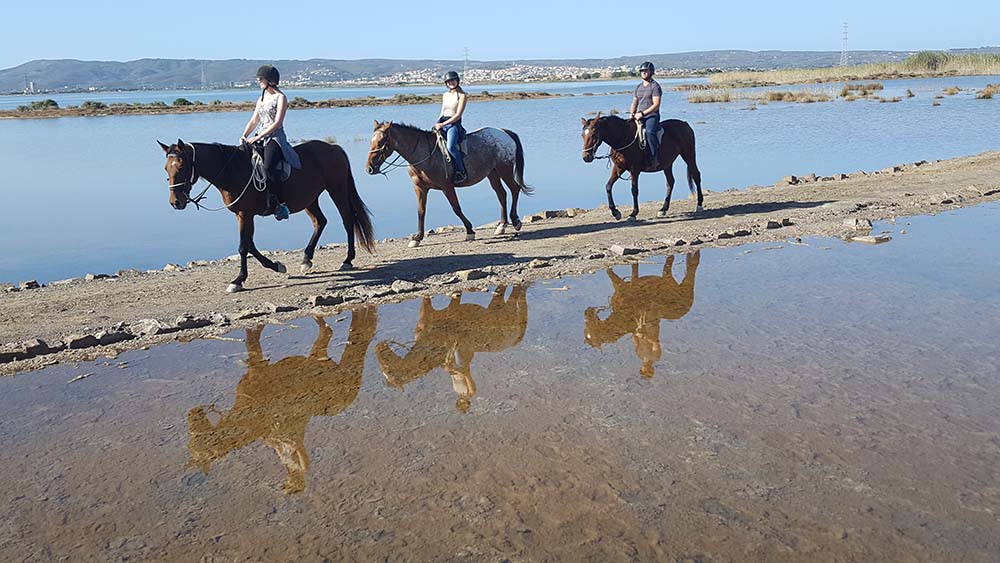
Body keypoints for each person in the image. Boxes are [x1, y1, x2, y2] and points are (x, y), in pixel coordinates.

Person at [240, 64, 302, 221]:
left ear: (270, 80)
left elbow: (277, 123)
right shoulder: (261, 98)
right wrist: (245, 135)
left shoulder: (281, 98)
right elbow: (254, 119)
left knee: (268, 167)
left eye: (261, 79)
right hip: (260, 136)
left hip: (275, 138)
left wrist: (257, 136)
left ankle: (281, 204)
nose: (259, 81)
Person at [432, 70, 468, 184]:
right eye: (448, 81)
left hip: (453, 124)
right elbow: (442, 111)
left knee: (451, 146)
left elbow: (458, 115)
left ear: (457, 81)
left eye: (453, 80)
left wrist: (443, 124)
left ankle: (461, 171)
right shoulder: (445, 95)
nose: (451, 83)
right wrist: (437, 123)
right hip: (443, 122)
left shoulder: (462, 96)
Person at [628, 61, 662, 168]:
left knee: (649, 132)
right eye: (642, 71)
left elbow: (656, 105)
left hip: (652, 116)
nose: (643, 73)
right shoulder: (638, 87)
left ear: (651, 72)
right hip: (639, 115)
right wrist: (632, 113)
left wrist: (642, 113)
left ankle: (654, 157)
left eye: (645, 71)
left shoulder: (655, 86)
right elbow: (635, 102)